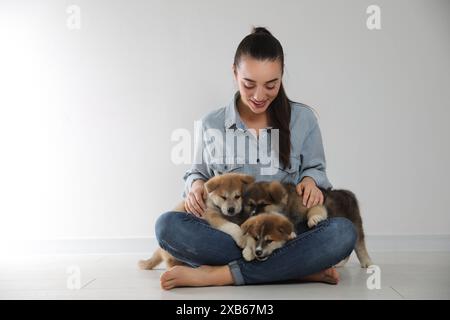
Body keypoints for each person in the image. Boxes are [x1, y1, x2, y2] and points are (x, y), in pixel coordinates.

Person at [156, 27, 356, 290]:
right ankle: (295, 270)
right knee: (168, 226)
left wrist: (310, 180)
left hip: (285, 230)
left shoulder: (303, 119)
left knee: (342, 233)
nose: (259, 96)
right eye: (249, 84)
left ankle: (221, 275)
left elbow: (315, 169)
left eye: (270, 85)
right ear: (234, 73)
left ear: (282, 76)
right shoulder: (211, 123)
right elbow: (198, 173)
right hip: (232, 232)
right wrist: (194, 186)